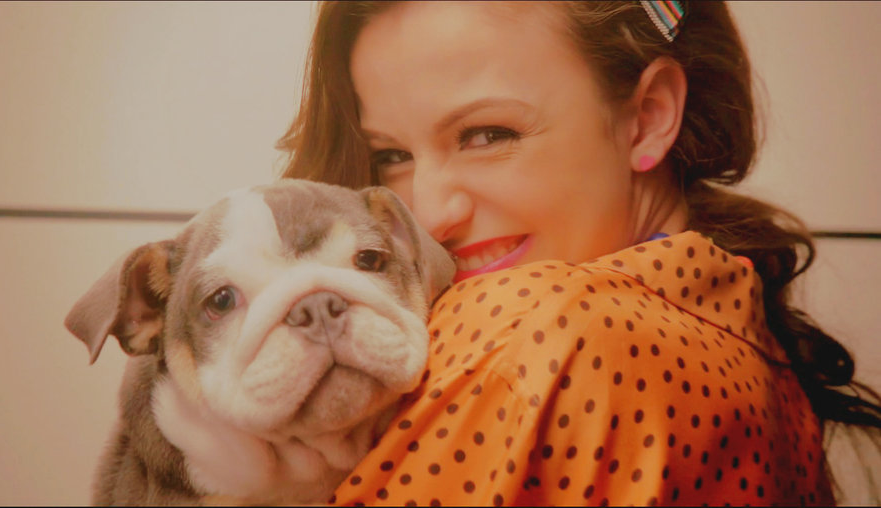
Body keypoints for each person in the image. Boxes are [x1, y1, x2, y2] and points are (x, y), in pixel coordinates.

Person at [277, 1, 881, 505]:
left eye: (487, 135)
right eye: (391, 156)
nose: (429, 215)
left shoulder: (532, 332)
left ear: (648, 117)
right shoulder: (743, 330)